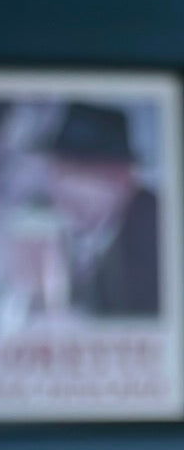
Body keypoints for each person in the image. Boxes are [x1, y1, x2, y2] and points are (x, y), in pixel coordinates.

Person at [41, 101, 159, 317]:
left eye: (79, 173)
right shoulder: (72, 234)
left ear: (123, 175)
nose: (63, 192)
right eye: (58, 172)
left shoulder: (159, 227)